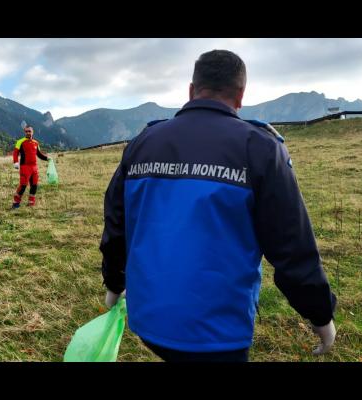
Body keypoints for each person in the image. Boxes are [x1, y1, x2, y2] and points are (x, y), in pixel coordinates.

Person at [99, 50, 337, 362]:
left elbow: (116, 225)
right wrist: (321, 316)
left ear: (191, 90)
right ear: (240, 95)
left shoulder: (144, 141)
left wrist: (114, 283)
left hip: (149, 320)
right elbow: (291, 245)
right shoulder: (260, 147)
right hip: (217, 333)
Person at [12, 125, 50, 208]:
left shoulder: (36, 143)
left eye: (29, 131)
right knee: (23, 185)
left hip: (34, 167)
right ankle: (16, 203)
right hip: (25, 167)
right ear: (24, 132)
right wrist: (15, 162)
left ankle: (31, 203)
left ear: (32, 132)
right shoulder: (20, 142)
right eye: (26, 131)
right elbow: (15, 152)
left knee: (34, 185)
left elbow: (39, 154)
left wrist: (47, 158)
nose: (28, 133)